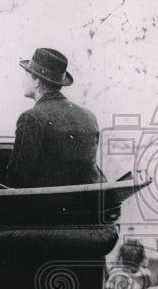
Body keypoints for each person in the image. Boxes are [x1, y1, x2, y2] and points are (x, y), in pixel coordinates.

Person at [7, 48, 105, 188]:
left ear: (36, 81)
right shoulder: (89, 116)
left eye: (26, 74)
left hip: (46, 208)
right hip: (88, 207)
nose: (23, 80)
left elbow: (16, 180)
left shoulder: (31, 118)